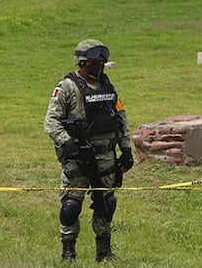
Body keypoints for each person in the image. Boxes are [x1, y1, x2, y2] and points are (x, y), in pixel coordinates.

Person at [44, 39, 133, 263]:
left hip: (106, 156)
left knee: (106, 203)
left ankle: (104, 252)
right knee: (71, 206)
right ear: (82, 63)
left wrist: (126, 149)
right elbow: (51, 122)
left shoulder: (107, 86)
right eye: (95, 62)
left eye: (102, 62)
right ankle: (68, 253)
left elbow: (121, 118)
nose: (100, 66)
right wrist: (67, 142)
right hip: (78, 157)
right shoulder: (67, 87)